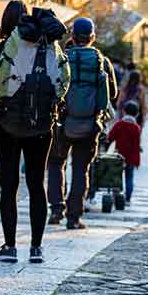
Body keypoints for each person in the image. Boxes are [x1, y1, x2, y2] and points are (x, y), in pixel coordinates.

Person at [0, 6, 70, 265]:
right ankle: (36, 248)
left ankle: (10, 247)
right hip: (42, 124)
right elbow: (61, 81)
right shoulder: (49, 43)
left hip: (8, 122)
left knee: (9, 186)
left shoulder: (10, 43)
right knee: (37, 185)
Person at [47, 18, 117, 230]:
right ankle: (74, 216)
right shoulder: (101, 61)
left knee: (56, 163)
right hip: (89, 124)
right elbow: (112, 93)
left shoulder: (62, 58)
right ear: (92, 37)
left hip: (62, 122)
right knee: (81, 169)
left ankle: (56, 209)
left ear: (72, 36)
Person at [107, 101, 142, 204]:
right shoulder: (136, 128)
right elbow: (136, 146)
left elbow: (110, 137)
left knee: (116, 176)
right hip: (131, 158)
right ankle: (128, 197)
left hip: (118, 156)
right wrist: (137, 161)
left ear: (124, 111)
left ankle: (116, 195)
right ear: (137, 114)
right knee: (129, 177)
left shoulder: (119, 125)